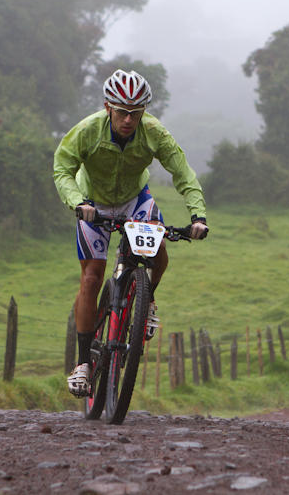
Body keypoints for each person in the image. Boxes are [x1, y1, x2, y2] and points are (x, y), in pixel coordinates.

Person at [53, 69, 208, 397]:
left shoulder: (154, 133)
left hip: (134, 201)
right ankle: (83, 363)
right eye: (122, 112)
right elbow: (63, 167)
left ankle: (146, 301)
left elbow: (182, 171)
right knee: (92, 279)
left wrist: (198, 215)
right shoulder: (88, 130)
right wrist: (77, 202)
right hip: (92, 203)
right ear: (108, 107)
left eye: (136, 113)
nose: (128, 120)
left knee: (158, 252)